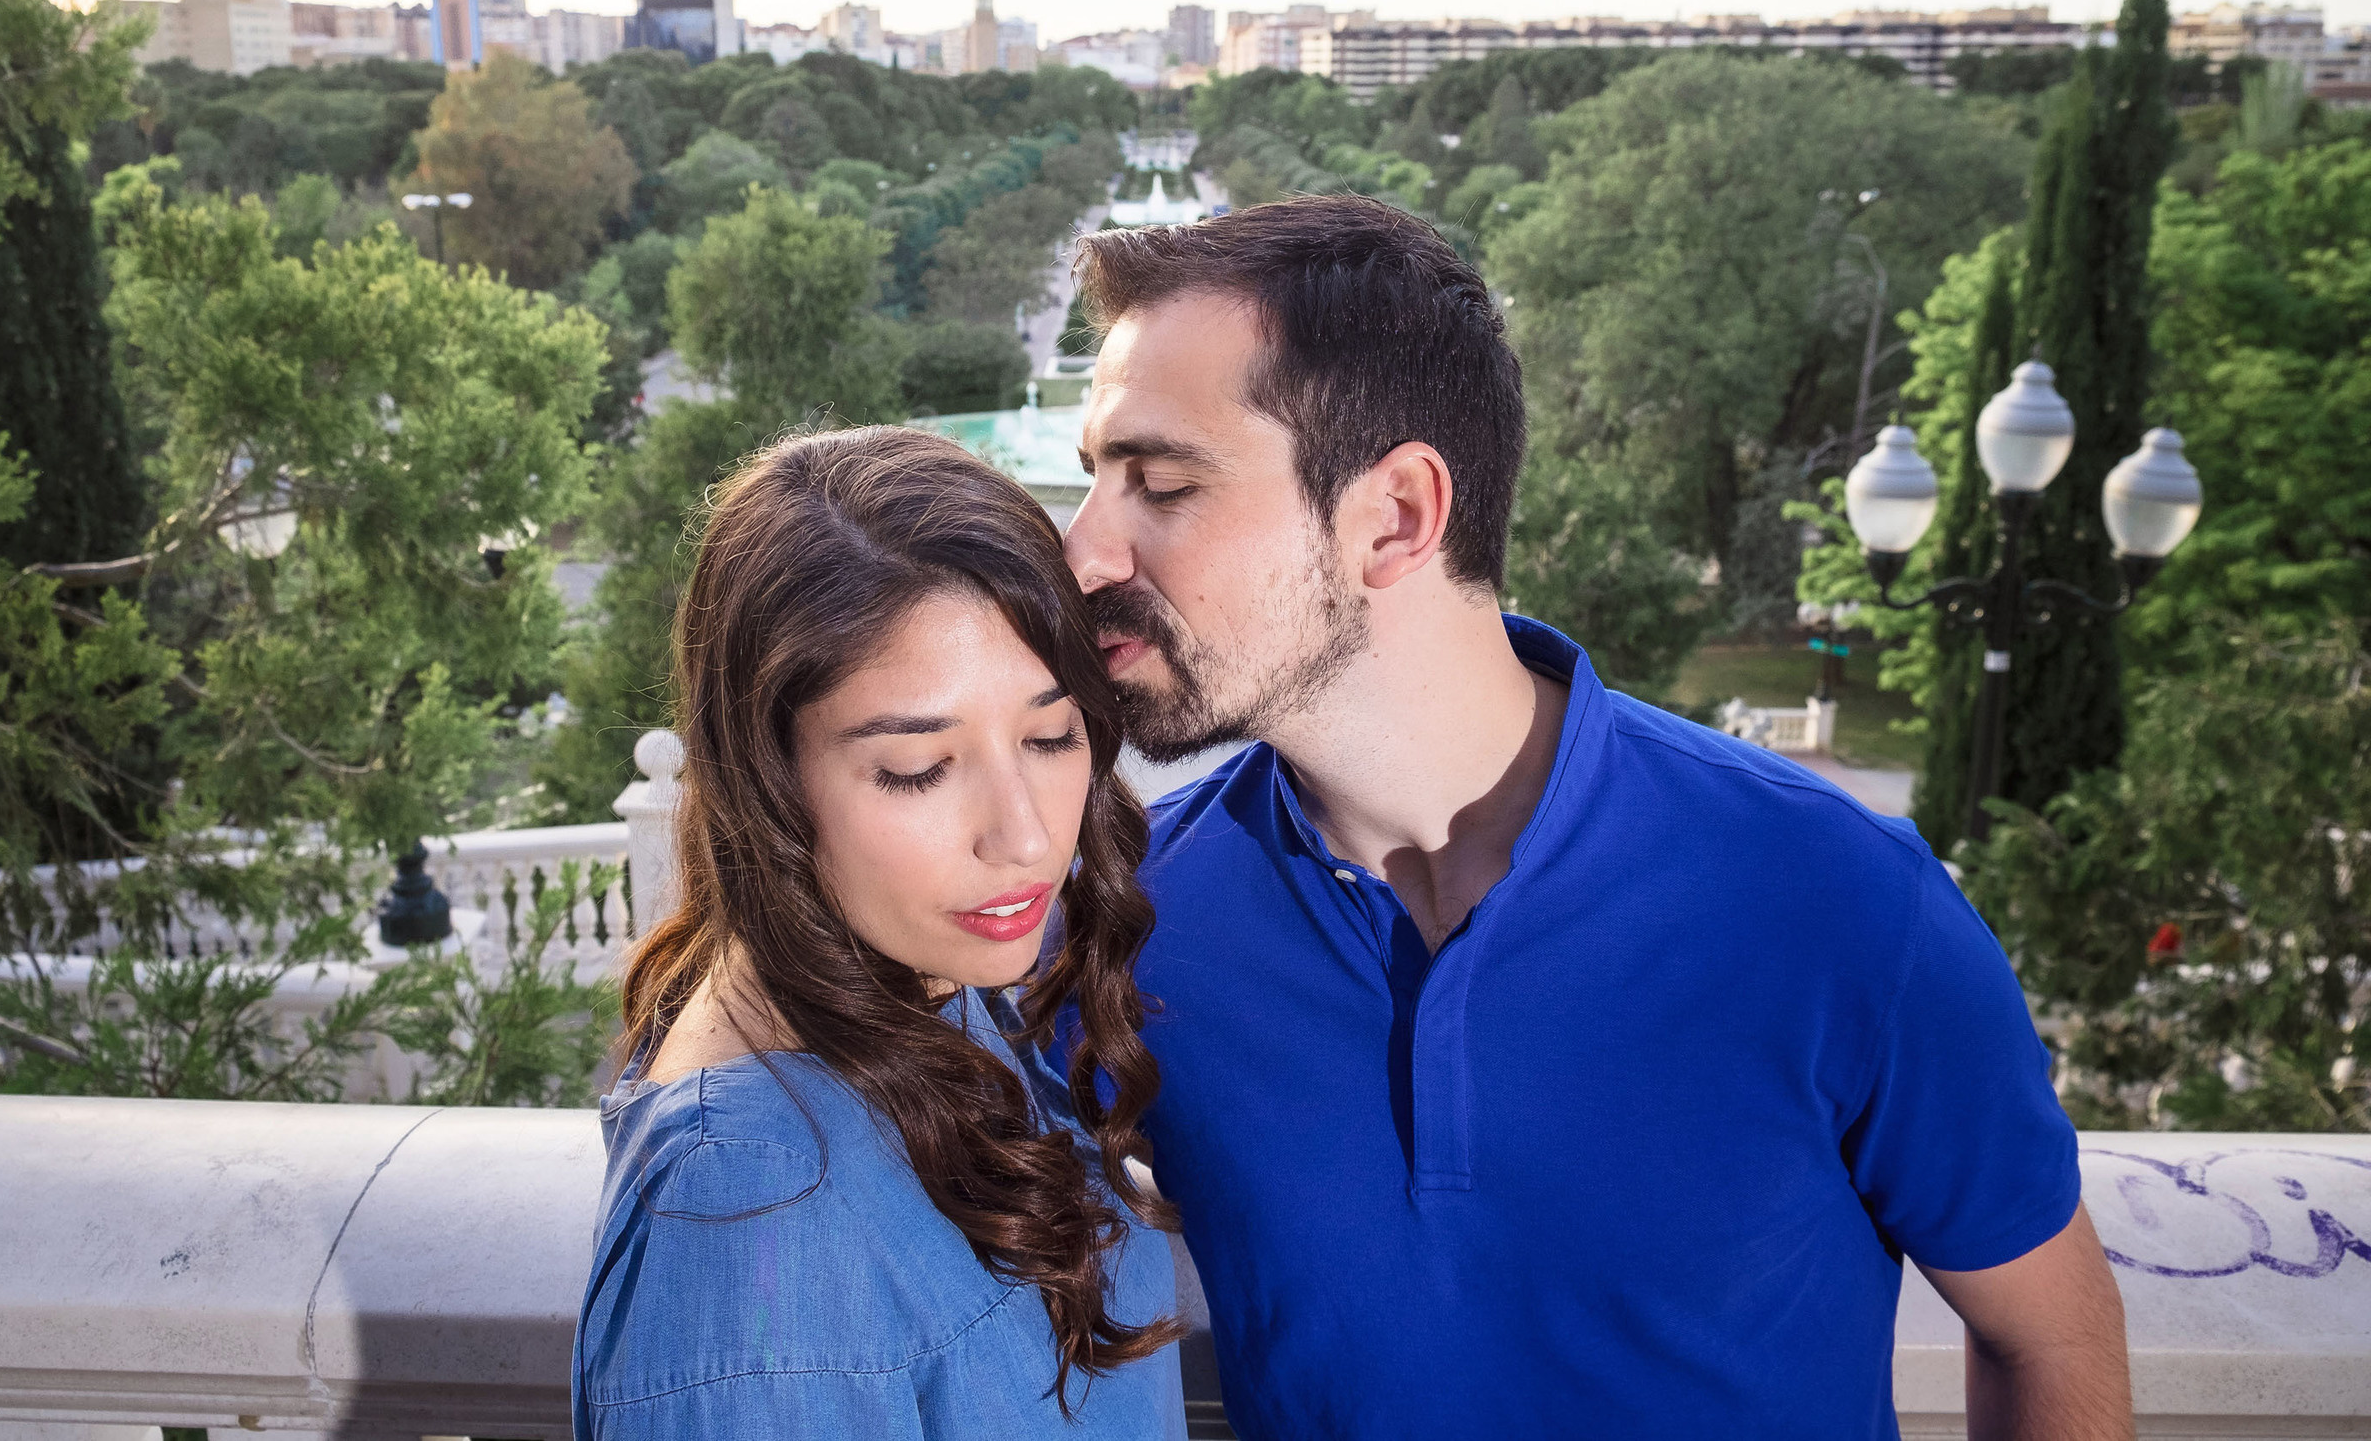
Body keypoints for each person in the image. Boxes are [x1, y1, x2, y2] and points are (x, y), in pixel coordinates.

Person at [1060, 195, 2133, 1439]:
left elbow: (2046, 1332)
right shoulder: (1129, 919)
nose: (1083, 550)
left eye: (1162, 483)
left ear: (1395, 516)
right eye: (1094, 480)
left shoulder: (1830, 898)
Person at [575, 428, 1187, 1440]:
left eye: (1049, 736)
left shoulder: (921, 980)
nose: (1027, 837)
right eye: (916, 769)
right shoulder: (753, 1214)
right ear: (763, 778)